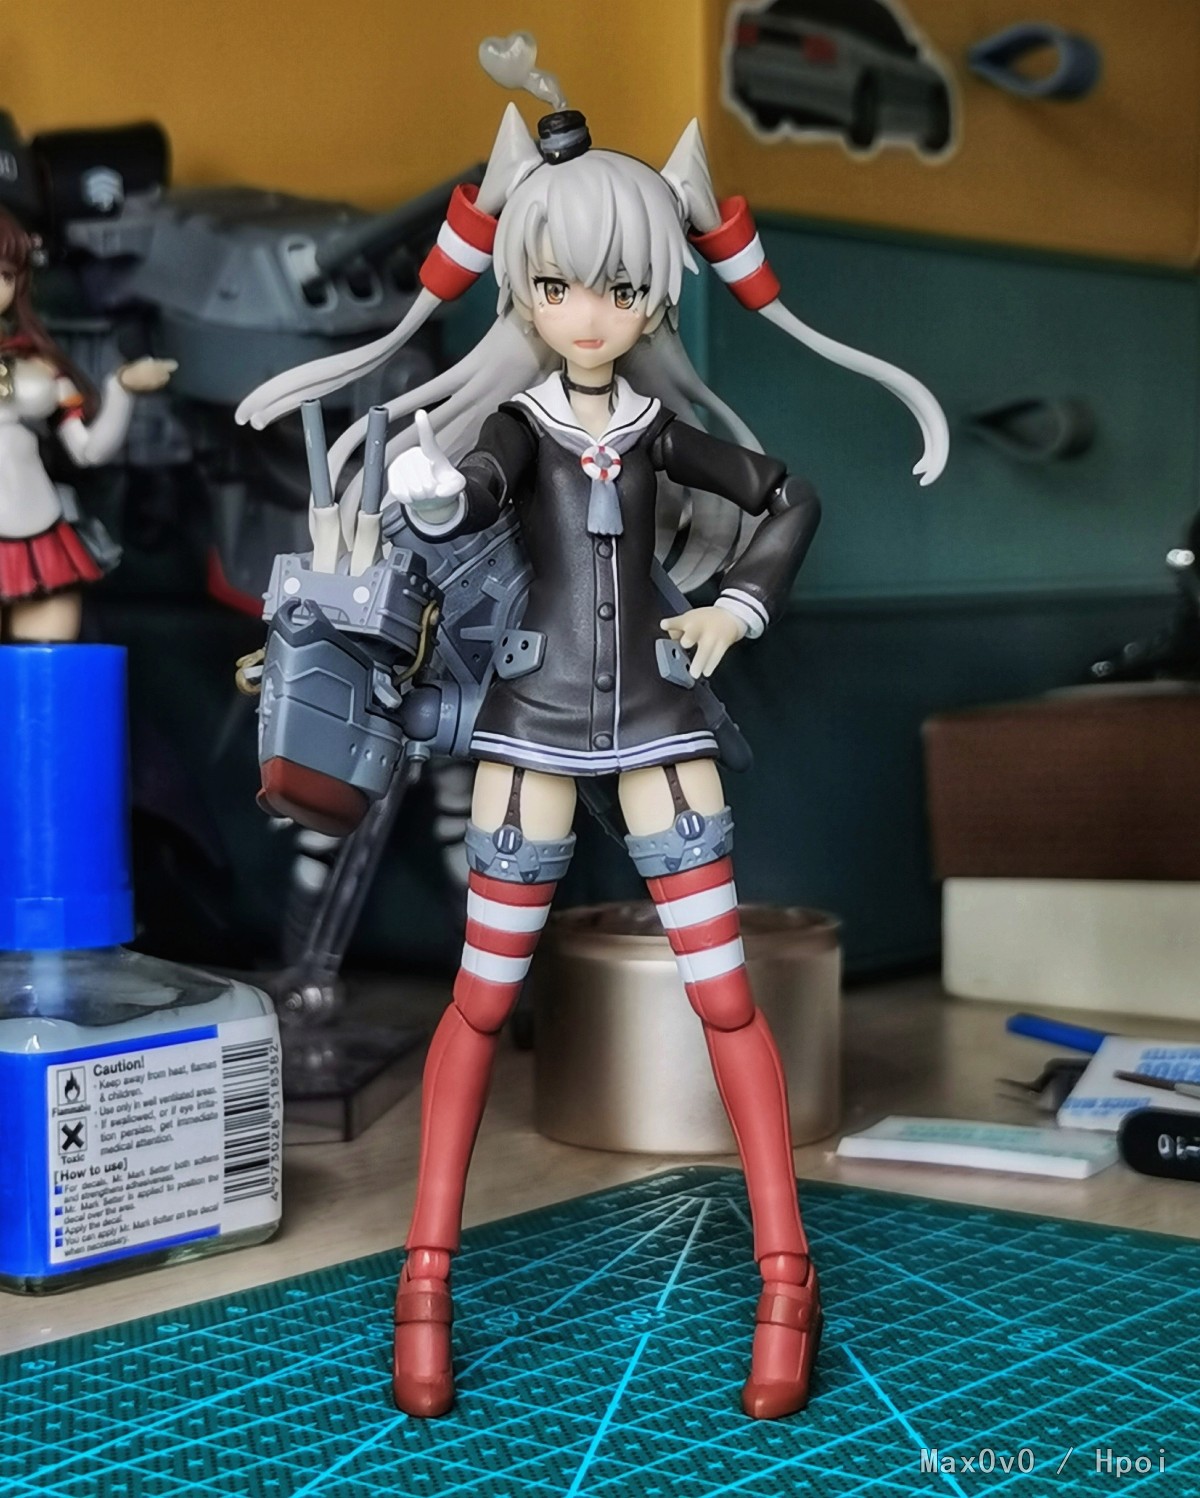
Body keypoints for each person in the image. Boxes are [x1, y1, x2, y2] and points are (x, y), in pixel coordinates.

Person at [238, 55, 947, 1423]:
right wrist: (430, 492)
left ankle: (786, 1273)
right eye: (560, 285)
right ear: (523, 288)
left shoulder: (662, 430)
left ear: (654, 296)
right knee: (479, 1000)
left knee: (725, 997)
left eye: (618, 288)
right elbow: (473, 491)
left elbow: (789, 497)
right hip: (531, 739)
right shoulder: (518, 427)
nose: (588, 312)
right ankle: (426, 1279)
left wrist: (737, 607)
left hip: (666, 729)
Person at [0, 209, 174, 642]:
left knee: (50, 670)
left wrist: (121, 389)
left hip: (34, 534)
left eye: (4, 275)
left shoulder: (39, 368)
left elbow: (89, 450)